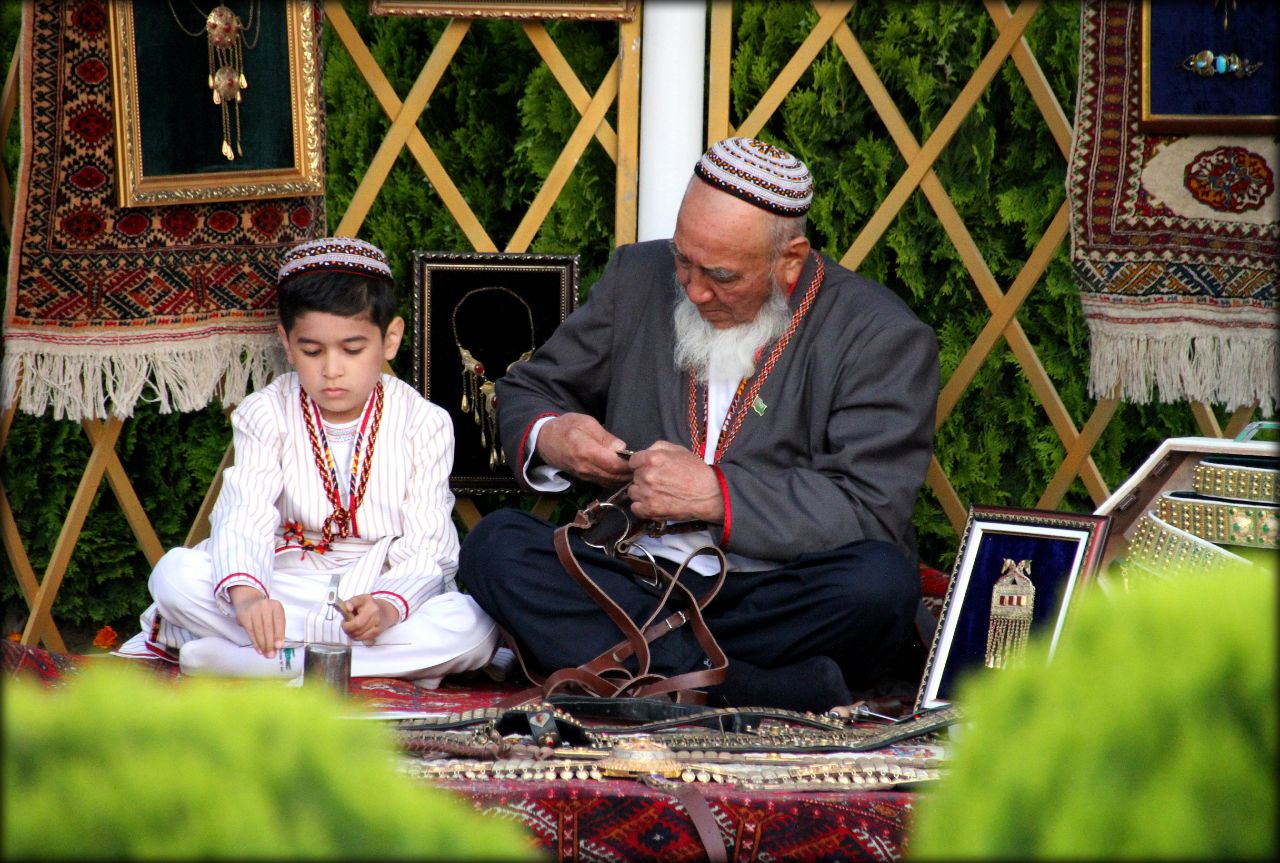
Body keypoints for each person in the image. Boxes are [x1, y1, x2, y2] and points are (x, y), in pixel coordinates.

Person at [459, 138, 939, 712]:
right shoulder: (638, 275)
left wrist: (717, 495)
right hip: (634, 579)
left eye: (721, 275)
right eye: (683, 260)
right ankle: (745, 689)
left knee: (879, 584)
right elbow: (530, 390)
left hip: (771, 593)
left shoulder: (879, 334)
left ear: (790, 260)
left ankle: (643, 673)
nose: (693, 288)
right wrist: (553, 435)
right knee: (494, 546)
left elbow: (869, 510)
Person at [117, 237, 499, 686]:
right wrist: (249, 600)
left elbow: (430, 544)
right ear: (286, 341)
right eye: (313, 351)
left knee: (474, 625)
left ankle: (250, 664)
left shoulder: (424, 422)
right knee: (174, 577)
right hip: (284, 583)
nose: (332, 369)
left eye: (352, 350)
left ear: (390, 338)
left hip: (374, 587)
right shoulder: (266, 411)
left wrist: (387, 606)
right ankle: (351, 665)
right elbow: (245, 513)